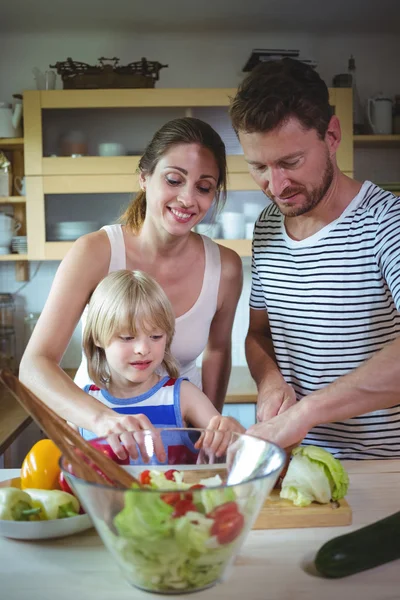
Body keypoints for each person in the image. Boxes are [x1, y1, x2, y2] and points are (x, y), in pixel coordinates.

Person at [20, 117, 243, 442]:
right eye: (173, 179)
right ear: (144, 176)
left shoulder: (226, 267)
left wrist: (208, 433)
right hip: (97, 434)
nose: (187, 199)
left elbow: (219, 351)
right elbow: (34, 365)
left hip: (179, 436)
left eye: (204, 187)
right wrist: (102, 420)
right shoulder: (94, 252)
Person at [229, 58, 400, 459]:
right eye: (259, 167)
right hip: (300, 463)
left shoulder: (387, 223)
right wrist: (270, 381)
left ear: (332, 135)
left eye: (290, 162)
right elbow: (259, 334)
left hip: (387, 469)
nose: (276, 185)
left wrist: (304, 413)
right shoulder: (269, 225)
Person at [79, 269, 244, 461]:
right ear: (97, 337)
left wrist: (231, 432)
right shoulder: (85, 404)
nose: (142, 348)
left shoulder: (183, 395)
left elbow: (236, 447)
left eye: (156, 336)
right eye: (127, 337)